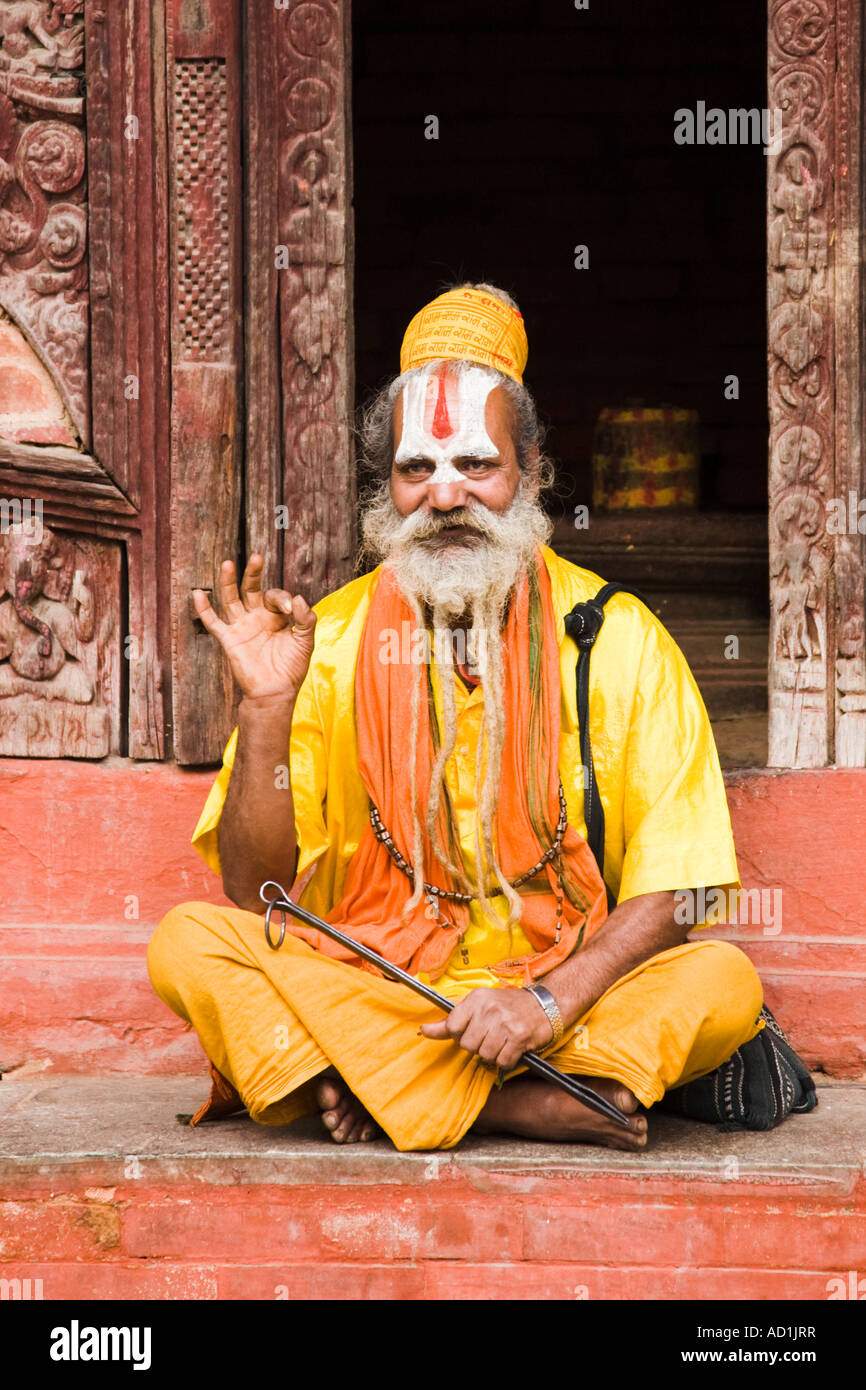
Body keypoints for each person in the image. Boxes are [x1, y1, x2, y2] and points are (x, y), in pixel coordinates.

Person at [147, 282, 764, 1153]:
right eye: (415, 469)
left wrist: (542, 1004)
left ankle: (376, 1088)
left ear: (532, 472)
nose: (444, 496)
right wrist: (266, 706)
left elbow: (683, 887)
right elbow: (256, 891)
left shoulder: (616, 639)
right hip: (377, 983)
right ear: (387, 486)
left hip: (558, 1004)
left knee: (722, 981)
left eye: (475, 464)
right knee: (186, 943)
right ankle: (528, 1106)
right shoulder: (331, 638)